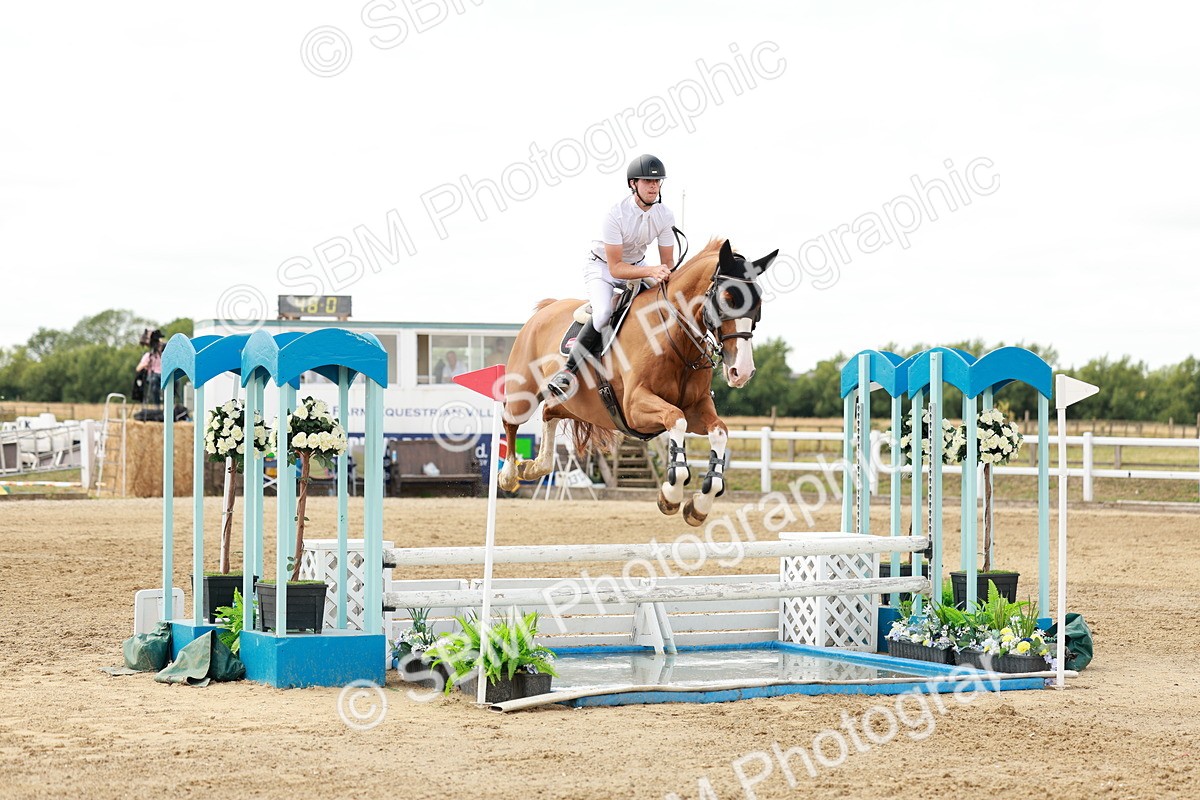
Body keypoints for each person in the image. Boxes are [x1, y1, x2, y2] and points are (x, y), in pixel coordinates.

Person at [547, 154, 676, 400]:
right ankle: (568, 370)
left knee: (667, 301)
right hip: (603, 269)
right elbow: (616, 268)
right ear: (632, 184)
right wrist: (651, 271)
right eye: (647, 181)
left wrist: (669, 278)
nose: (653, 186)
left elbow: (668, 263)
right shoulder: (616, 215)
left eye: (657, 182)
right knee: (604, 313)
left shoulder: (665, 215)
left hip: (638, 266)